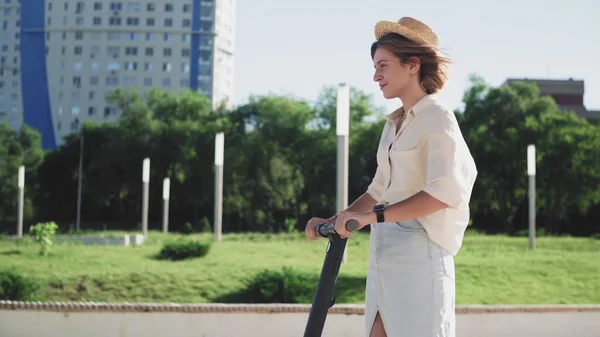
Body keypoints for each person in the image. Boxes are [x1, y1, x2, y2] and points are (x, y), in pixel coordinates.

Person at [305, 17, 478, 337]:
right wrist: (337, 219)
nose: (375, 75)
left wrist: (371, 216)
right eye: (375, 66)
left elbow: (444, 192)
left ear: (412, 65)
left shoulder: (438, 118)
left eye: (383, 65)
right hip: (385, 252)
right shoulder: (393, 124)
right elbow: (379, 187)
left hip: (421, 254)